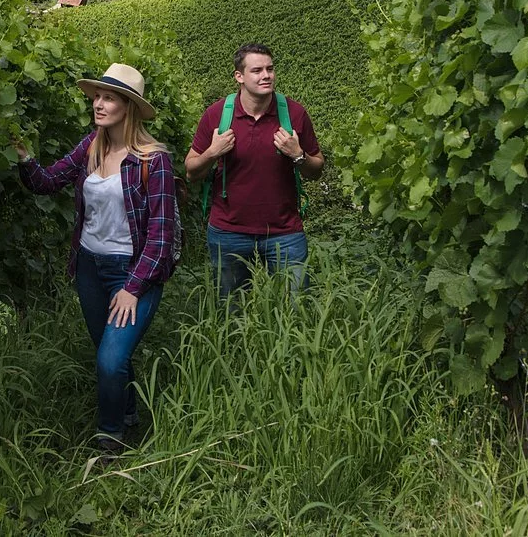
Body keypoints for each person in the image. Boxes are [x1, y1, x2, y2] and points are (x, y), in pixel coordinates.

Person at [16, 62, 176, 452]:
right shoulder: (91, 147)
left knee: (110, 360)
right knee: (111, 354)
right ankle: (129, 414)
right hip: (89, 267)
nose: (99, 104)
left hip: (132, 271)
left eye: (109, 98)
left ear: (129, 107)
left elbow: (161, 236)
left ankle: (110, 438)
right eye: (97, 97)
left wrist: (133, 289)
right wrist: (22, 157)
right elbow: (48, 181)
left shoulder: (153, 161)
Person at [185, 44, 324, 299]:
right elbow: (191, 172)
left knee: (296, 310)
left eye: (270, 69)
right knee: (230, 311)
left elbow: (316, 170)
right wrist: (212, 153)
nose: (266, 75)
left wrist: (298, 155)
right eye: (257, 70)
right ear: (239, 76)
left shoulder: (294, 113)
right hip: (228, 231)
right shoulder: (217, 115)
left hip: (285, 232)